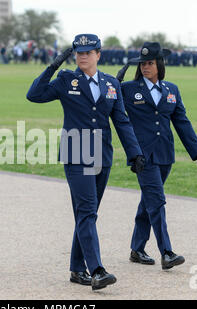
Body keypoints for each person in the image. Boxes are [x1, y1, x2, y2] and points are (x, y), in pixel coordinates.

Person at [27, 34, 145, 290]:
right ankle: (97, 270)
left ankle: (77, 268)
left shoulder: (111, 83)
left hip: (102, 154)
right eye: (78, 52)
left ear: (98, 54)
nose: (82, 56)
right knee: (88, 211)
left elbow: (122, 121)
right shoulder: (66, 79)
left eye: (88, 52)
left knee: (86, 214)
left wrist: (134, 153)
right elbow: (33, 95)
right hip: (76, 151)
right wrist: (53, 65)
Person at [116, 42, 197, 270]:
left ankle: (137, 248)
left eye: (150, 63)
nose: (146, 67)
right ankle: (166, 252)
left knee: (149, 200)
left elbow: (182, 123)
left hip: (165, 154)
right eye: (143, 63)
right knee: (157, 201)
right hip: (142, 157)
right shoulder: (128, 88)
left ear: (159, 64)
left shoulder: (172, 90)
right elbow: (111, 107)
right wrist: (114, 83)